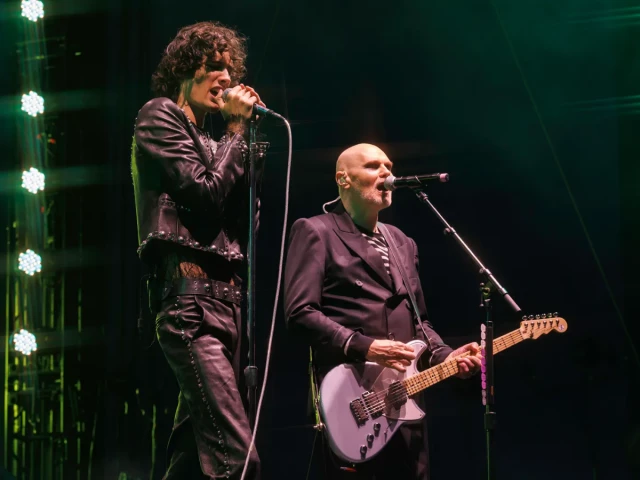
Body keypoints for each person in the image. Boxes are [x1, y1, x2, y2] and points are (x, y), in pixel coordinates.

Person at [283, 143, 482, 479]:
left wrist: (445, 356)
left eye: (389, 166)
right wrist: (367, 346)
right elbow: (300, 313)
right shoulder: (316, 231)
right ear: (343, 179)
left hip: (404, 402)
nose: (386, 173)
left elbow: (420, 321)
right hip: (350, 404)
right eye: (373, 166)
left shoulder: (402, 241)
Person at [131, 21, 264, 480]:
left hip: (230, 309)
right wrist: (236, 130)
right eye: (214, 67)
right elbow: (204, 194)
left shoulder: (218, 142)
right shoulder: (159, 116)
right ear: (186, 70)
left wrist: (248, 147)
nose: (226, 79)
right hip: (191, 307)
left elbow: (247, 226)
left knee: (191, 461)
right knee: (238, 460)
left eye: (231, 70)